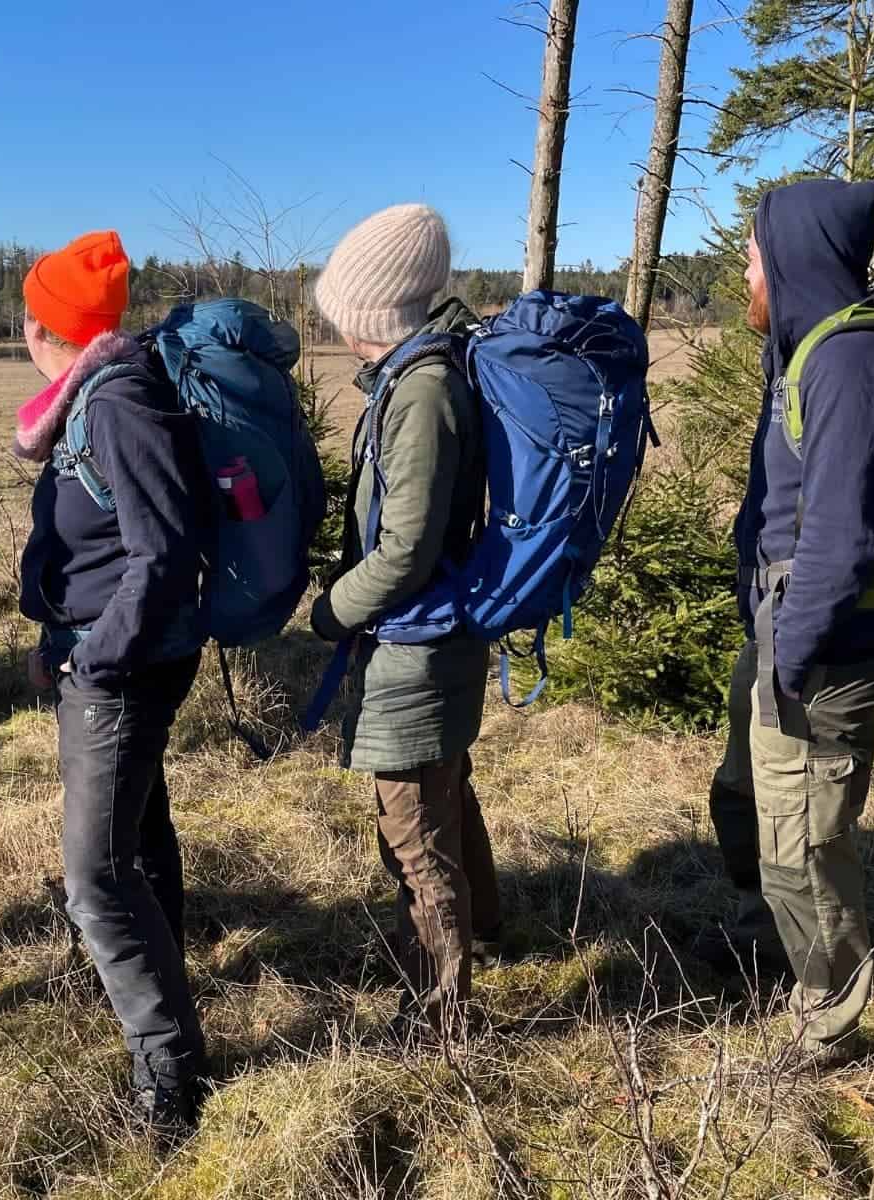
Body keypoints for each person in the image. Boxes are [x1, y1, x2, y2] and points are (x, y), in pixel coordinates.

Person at [697, 180, 874, 1066]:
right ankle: (766, 937)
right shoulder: (810, 348)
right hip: (785, 630)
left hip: (825, 645)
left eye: (753, 252)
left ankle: (827, 1020)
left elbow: (842, 535)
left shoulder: (850, 364)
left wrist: (791, 655)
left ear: (791, 256)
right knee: (750, 803)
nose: (745, 268)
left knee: (807, 842)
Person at [13, 230, 218, 1134]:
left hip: (123, 665)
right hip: (107, 650)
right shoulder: (92, 398)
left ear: (43, 328)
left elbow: (164, 552)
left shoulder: (117, 402)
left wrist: (94, 654)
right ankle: (164, 991)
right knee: (137, 834)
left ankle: (169, 1073)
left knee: (95, 874)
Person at [308, 204, 502, 1038]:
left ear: (373, 307)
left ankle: (439, 1012)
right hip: (431, 636)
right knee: (444, 792)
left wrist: (329, 612)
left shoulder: (420, 390)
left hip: (416, 644)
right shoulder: (416, 373)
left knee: (412, 834)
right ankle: (490, 930)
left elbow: (406, 549)